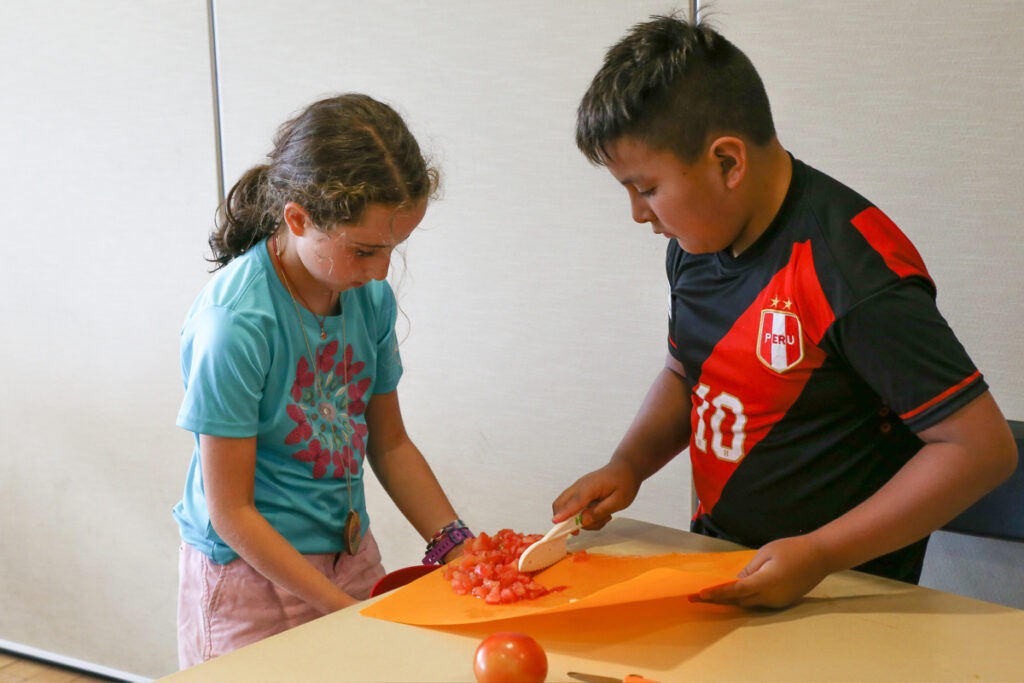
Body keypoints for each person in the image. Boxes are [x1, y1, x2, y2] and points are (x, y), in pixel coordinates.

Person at [551, 14, 1017, 609]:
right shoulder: (694, 243)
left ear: (727, 162)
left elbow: (979, 448)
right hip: (721, 565)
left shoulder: (850, 268)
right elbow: (684, 373)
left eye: (646, 189)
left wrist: (821, 552)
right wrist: (630, 463)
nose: (639, 215)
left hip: (842, 591)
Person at [173, 93, 474, 668]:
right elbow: (230, 512)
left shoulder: (368, 297)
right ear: (297, 219)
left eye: (394, 247)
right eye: (364, 250)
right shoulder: (234, 324)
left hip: (346, 553)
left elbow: (389, 443)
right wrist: (344, 610)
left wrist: (457, 543)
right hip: (245, 576)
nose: (382, 271)